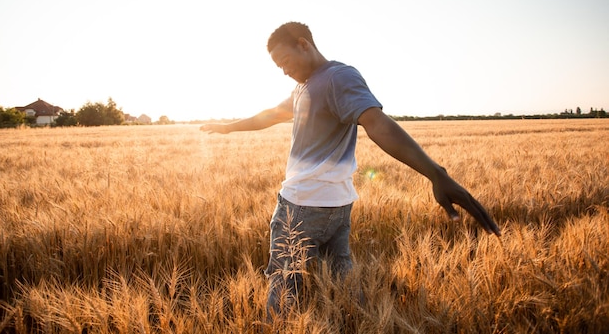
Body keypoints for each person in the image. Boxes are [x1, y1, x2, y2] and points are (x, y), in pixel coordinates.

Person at [200, 21, 501, 319]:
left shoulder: (337, 77)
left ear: (303, 44)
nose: (284, 70)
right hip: (337, 205)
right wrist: (228, 128)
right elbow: (269, 116)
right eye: (278, 66)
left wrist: (437, 174)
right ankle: (362, 323)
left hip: (301, 206)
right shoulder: (304, 87)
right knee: (343, 279)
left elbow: (377, 123)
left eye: (286, 61)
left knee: (283, 283)